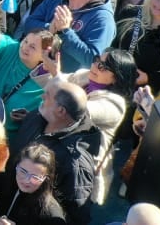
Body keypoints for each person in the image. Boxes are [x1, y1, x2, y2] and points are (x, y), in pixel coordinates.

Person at [7, 79, 102, 225]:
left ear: (61, 111)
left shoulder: (75, 163)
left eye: (47, 95)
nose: (42, 97)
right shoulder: (38, 117)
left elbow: (76, 217)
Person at [0, 143, 66, 225]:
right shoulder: (2, 181)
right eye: (23, 171)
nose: (26, 180)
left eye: (35, 177)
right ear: (16, 166)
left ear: (45, 179)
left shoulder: (51, 215)